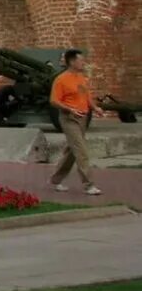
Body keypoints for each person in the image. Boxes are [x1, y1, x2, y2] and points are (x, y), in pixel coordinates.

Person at [50, 50, 104, 195]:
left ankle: (56, 179)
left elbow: (86, 96)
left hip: (83, 118)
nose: (83, 63)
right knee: (81, 150)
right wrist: (70, 109)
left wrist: (95, 108)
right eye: (81, 60)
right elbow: (54, 101)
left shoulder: (81, 78)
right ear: (72, 62)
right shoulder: (61, 79)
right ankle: (89, 185)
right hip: (69, 119)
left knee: (72, 151)